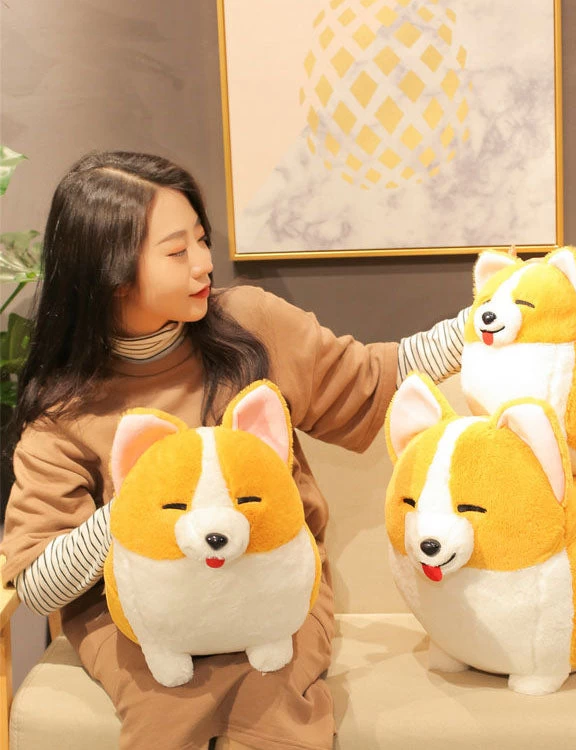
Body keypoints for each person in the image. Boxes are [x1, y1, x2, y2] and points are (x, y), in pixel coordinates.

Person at [0, 151, 469, 750]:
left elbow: (373, 377)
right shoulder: (66, 410)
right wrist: (142, 508)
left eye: (201, 239)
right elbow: (38, 583)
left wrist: (488, 321)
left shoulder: (251, 324)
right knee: (164, 707)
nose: (204, 262)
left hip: (273, 591)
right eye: (177, 252)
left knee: (272, 697)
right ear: (110, 273)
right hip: (142, 618)